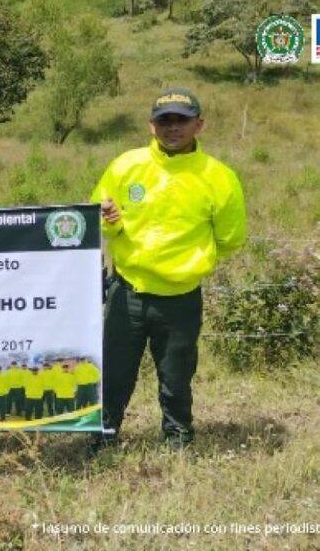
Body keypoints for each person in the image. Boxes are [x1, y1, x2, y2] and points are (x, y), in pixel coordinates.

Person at [90, 87, 247, 452]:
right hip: (126, 291)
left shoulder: (219, 177)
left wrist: (192, 264)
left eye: (181, 120)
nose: (172, 128)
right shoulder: (126, 166)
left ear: (199, 125)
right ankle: (103, 438)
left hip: (180, 298)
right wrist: (109, 221)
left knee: (176, 378)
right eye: (164, 121)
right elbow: (100, 221)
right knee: (114, 374)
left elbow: (230, 238)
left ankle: (178, 440)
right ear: (151, 125)